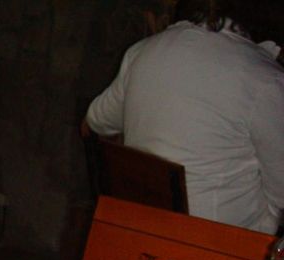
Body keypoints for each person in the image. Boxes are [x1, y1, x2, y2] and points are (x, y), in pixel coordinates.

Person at [83, 0, 284, 234]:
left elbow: (94, 122)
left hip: (141, 235)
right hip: (220, 245)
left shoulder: (141, 52)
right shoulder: (264, 78)